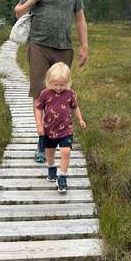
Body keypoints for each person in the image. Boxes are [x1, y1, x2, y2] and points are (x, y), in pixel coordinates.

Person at [14, 0, 88, 162]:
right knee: (40, 94)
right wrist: (31, 1)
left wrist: (85, 47)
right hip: (38, 46)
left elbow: (80, 20)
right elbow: (18, 12)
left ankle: (61, 135)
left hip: (64, 48)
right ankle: (42, 139)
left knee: (60, 94)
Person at [35, 62, 86, 192]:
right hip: (49, 130)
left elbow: (75, 107)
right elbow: (39, 109)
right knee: (49, 153)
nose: (58, 88)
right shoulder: (45, 94)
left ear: (68, 82)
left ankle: (62, 176)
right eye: (55, 84)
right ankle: (51, 168)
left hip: (66, 130)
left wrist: (80, 119)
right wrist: (39, 125)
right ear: (49, 81)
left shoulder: (70, 94)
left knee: (66, 151)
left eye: (62, 85)